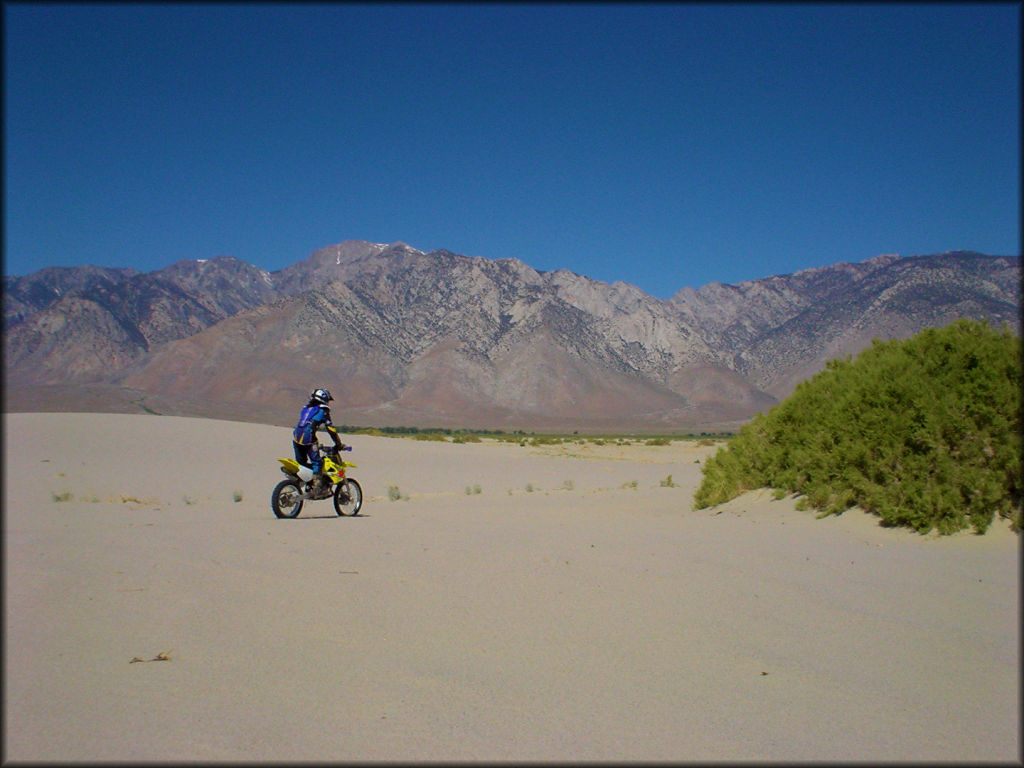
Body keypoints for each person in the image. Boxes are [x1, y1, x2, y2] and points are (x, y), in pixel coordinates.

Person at [293, 388, 345, 488]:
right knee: (317, 462)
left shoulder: (305, 408)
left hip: (296, 437)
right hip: (308, 439)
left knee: (301, 463)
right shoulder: (323, 411)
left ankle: (300, 484)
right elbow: (331, 430)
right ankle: (317, 485)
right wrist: (338, 443)